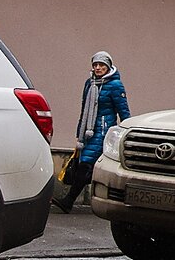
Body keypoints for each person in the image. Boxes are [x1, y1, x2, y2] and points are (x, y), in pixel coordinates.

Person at [55, 51, 130, 213]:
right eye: (95, 65)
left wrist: (127, 130)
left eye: (101, 65)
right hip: (87, 131)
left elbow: (123, 110)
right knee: (89, 165)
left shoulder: (115, 85)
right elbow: (84, 109)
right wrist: (79, 130)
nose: (98, 68)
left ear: (108, 66)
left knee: (86, 163)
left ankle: (68, 201)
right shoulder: (90, 83)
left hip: (102, 130)